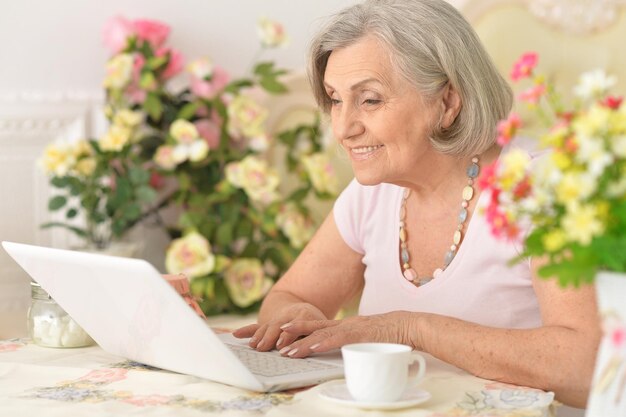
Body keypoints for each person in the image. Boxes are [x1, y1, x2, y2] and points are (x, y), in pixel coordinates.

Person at [233, 0, 600, 408]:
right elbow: (286, 297)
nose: (343, 128)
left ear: (447, 102)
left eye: (369, 100)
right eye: (336, 100)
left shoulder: (545, 190)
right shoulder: (372, 192)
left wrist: (409, 330)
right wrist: (296, 315)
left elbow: (586, 368)